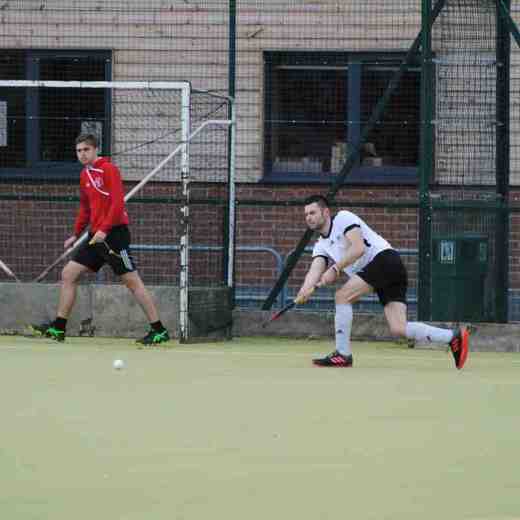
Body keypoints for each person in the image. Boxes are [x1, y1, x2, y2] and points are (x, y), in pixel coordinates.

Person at [296, 195, 469, 369]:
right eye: (306, 215)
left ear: (325, 212)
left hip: (385, 260)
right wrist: (304, 290)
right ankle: (452, 337)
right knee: (398, 328)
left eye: (312, 213)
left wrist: (335, 268)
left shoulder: (343, 218)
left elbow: (358, 248)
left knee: (342, 296)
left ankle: (342, 354)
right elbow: (315, 270)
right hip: (384, 271)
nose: (308, 217)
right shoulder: (321, 245)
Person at [33, 134, 169, 345]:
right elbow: (85, 208)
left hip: (114, 236)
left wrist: (105, 229)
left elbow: (117, 204)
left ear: (96, 149)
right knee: (68, 274)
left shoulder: (109, 170)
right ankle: (58, 328)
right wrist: (75, 234)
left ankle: (159, 330)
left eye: (86, 150)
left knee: (132, 282)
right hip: (94, 237)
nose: (82, 154)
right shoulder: (84, 175)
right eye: (78, 151)